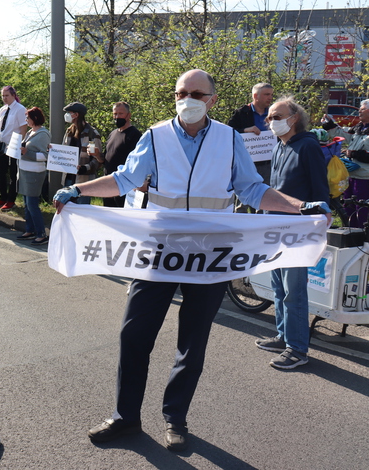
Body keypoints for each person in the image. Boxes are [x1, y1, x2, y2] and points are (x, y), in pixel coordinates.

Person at [53, 69, 330, 452]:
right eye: (182, 92)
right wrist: (77, 190)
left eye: (197, 93)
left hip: (209, 258)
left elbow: (253, 189)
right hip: (159, 254)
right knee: (133, 336)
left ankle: (175, 418)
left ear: (212, 100)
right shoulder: (155, 135)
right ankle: (125, 416)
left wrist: (302, 208)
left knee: (192, 343)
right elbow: (123, 180)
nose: (188, 98)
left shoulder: (229, 139)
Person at [253, 97, 329, 369]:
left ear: (294, 118)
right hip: (274, 228)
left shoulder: (308, 146)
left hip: (297, 230)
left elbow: (320, 188)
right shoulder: (279, 146)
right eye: (269, 117)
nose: (270, 121)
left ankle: (297, 349)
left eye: (276, 116)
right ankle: (284, 336)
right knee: (278, 285)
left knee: (293, 291)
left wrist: (321, 217)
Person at [321, 99, 369, 227]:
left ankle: (363, 237)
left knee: (363, 210)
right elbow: (341, 133)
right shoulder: (359, 127)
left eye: (362, 109)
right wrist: (329, 124)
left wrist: (352, 154)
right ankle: (350, 234)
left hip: (365, 178)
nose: (359, 111)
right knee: (348, 208)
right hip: (351, 176)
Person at [228, 83, 274, 212]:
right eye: (266, 94)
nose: (270, 98)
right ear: (255, 96)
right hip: (246, 162)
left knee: (264, 196)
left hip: (267, 163)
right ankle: (239, 226)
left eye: (271, 94)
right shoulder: (241, 113)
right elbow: (228, 131)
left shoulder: (274, 113)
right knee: (243, 201)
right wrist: (245, 130)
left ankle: (261, 225)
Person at [17, 106, 50, 245]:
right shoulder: (31, 132)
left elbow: (46, 155)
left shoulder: (43, 134)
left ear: (35, 118)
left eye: (28, 118)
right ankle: (30, 230)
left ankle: (41, 233)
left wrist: (27, 153)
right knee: (26, 203)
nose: (26, 120)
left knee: (32, 204)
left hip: (34, 173)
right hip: (25, 171)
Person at [100, 101, 142, 207]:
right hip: (108, 185)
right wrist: (97, 155)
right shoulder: (112, 134)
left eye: (120, 114)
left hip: (123, 186)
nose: (117, 117)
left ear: (129, 115)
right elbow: (105, 160)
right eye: (115, 114)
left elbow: (137, 163)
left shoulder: (135, 135)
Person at [61, 101, 103, 204]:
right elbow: (63, 151)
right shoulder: (69, 131)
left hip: (84, 182)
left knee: (81, 212)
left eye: (69, 112)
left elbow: (98, 160)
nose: (67, 115)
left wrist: (85, 168)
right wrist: (53, 151)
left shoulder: (92, 134)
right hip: (68, 179)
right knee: (67, 211)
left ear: (76, 115)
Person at [0, 86, 27, 210]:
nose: (4, 98)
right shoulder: (2, 109)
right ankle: (3, 197)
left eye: (7, 95)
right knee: (0, 172)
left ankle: (11, 199)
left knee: (13, 173)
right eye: (3, 96)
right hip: (2, 145)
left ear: (13, 95)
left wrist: (20, 143)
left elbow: (23, 128)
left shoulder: (20, 109)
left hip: (13, 145)